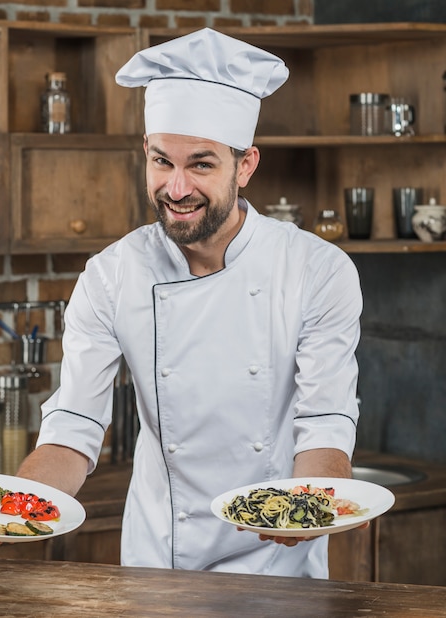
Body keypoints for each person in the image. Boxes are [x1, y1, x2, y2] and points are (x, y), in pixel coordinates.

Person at [18, 28, 363, 579]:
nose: (176, 188)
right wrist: (18, 504)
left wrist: (315, 506)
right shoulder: (112, 275)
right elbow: (75, 422)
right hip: (160, 564)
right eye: (161, 162)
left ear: (245, 166)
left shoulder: (316, 270)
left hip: (280, 566)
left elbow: (324, 423)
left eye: (201, 164)